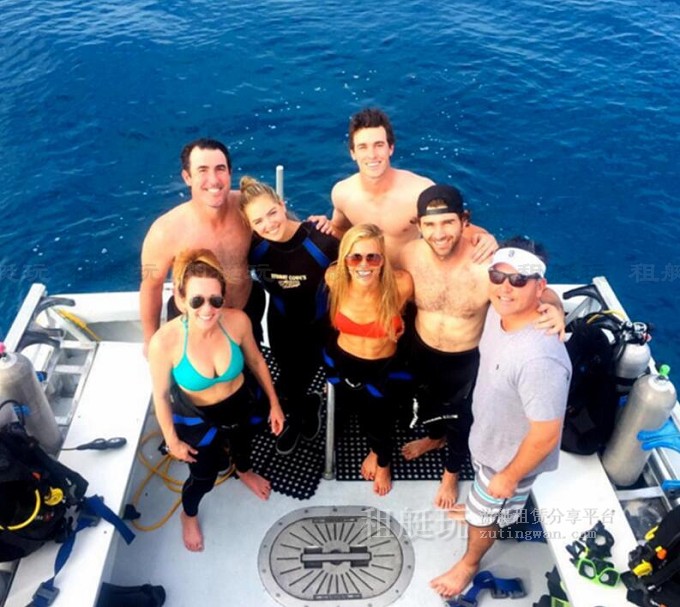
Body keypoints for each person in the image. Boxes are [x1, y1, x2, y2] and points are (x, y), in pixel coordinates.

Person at [399, 185, 566, 510]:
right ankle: (434, 438)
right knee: (427, 406)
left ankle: (451, 473)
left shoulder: (487, 264)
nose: (439, 234)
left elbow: (534, 288)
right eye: (430, 225)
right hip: (421, 349)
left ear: (464, 221)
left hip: (466, 360)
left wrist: (556, 308)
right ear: (418, 225)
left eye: (448, 223)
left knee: (462, 420)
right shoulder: (409, 254)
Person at [430, 237, 571, 598]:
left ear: (538, 286)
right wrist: (555, 304)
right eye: (498, 276)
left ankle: (470, 562)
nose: (505, 288)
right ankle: (485, 510)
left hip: (509, 461)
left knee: (486, 517)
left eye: (519, 279)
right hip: (489, 441)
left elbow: (546, 434)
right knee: (486, 504)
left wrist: (509, 477)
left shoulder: (541, 359)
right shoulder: (501, 311)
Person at [147, 249, 284, 552]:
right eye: (197, 301)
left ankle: (244, 471)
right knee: (204, 476)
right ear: (181, 299)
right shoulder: (165, 343)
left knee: (244, 443)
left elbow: (257, 361)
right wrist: (172, 441)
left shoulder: (237, 322)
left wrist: (274, 403)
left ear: (223, 298)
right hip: (199, 418)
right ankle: (188, 514)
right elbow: (161, 396)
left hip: (240, 403)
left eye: (215, 300)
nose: (207, 309)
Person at [308, 108, 495, 268]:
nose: (372, 155)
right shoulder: (342, 193)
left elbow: (455, 226)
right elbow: (340, 230)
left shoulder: (419, 191)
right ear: (353, 153)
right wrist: (322, 225)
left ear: (391, 148)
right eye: (363, 147)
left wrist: (485, 237)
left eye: (379, 145)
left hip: (409, 278)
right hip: (369, 275)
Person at [240, 176, 339, 454]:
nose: (269, 224)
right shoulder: (254, 249)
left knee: (328, 374)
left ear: (283, 205)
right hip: (282, 324)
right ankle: (300, 412)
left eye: (272, 213)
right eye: (258, 221)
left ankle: (321, 406)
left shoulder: (322, 240)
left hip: (322, 324)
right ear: (250, 226)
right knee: (289, 378)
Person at [140, 138, 261, 356]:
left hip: (243, 316)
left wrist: (318, 225)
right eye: (202, 170)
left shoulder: (247, 208)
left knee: (251, 373)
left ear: (230, 173)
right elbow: (151, 286)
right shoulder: (165, 231)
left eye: (220, 169)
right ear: (187, 177)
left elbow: (282, 225)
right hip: (192, 325)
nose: (213, 180)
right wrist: (151, 340)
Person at [323, 224, 413, 496]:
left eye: (372, 257)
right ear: (345, 260)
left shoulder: (401, 285)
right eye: (355, 257)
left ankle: (382, 460)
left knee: (378, 421)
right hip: (343, 360)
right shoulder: (333, 279)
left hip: (381, 367)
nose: (364, 265)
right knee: (346, 410)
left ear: (383, 259)